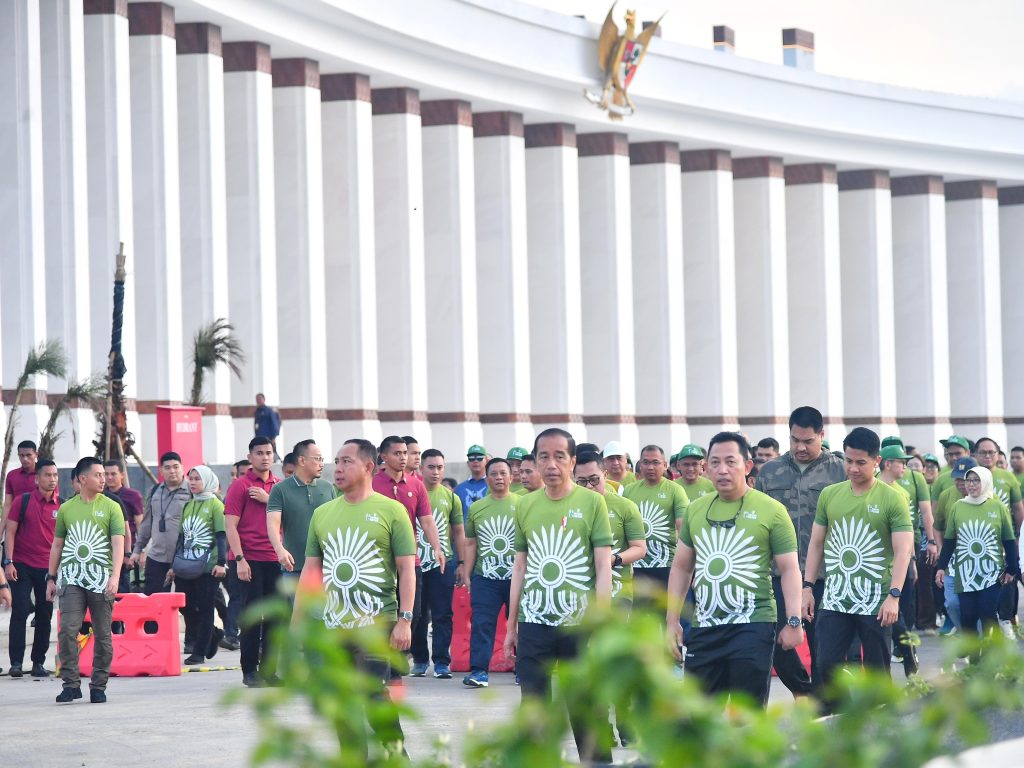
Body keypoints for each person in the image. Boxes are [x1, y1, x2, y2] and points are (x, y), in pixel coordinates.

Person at [296, 438, 415, 760]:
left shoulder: (392, 511)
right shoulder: (322, 514)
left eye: (347, 461)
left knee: (372, 693)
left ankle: (397, 758)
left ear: (368, 467)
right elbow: (310, 573)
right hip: (335, 625)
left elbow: (406, 570)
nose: (338, 467)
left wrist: (405, 621)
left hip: (378, 622)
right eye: (336, 461)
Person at [666, 433, 803, 706]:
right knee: (699, 717)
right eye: (715, 462)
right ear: (707, 467)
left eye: (730, 461)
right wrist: (672, 621)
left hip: (753, 625)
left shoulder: (772, 511)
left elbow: (789, 569)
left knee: (746, 716)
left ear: (748, 466)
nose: (722, 470)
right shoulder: (695, 510)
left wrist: (794, 621)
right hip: (705, 626)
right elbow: (682, 567)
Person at [504, 429, 613, 765]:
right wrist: (512, 625)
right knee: (534, 703)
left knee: (583, 703)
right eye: (543, 457)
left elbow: (603, 566)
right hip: (534, 621)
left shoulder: (592, 501)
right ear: (535, 461)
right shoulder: (524, 504)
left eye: (559, 457)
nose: (551, 464)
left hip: (579, 623)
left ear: (573, 461)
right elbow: (519, 567)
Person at [801, 428, 913, 706]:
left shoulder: (892, 498)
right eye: (848, 461)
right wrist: (807, 587)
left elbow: (903, 551)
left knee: (877, 671)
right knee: (826, 664)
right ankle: (835, 721)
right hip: (836, 598)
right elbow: (816, 545)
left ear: (877, 461)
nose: (852, 468)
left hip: (876, 600)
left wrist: (894, 596)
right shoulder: (830, 494)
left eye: (860, 462)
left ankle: (880, 723)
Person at [755, 405, 847, 698]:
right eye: (795, 440)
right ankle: (803, 691)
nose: (800, 447)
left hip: (827, 574)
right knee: (778, 641)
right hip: (780, 573)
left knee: (826, 648)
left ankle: (823, 707)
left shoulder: (840, 470)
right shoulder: (770, 472)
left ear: (822, 435)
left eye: (808, 441)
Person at [47, 457, 125, 704]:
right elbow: (58, 544)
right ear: (82, 479)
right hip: (71, 578)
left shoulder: (112, 507)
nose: (104, 479)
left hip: (102, 580)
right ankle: (71, 684)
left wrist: (115, 577)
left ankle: (98, 686)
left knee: (103, 635)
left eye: (104, 474)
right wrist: (51, 577)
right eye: (98, 475)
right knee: (67, 631)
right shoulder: (67, 508)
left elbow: (118, 544)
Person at [935, 465, 1019, 653]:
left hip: (991, 571)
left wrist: (1012, 568)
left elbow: (1008, 539)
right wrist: (941, 567)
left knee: (988, 613)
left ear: (986, 482)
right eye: (969, 480)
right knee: (968, 616)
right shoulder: (958, 507)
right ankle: (974, 656)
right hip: (965, 572)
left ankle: (993, 655)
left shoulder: (997, 507)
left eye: (976, 480)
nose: (971, 485)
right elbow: (949, 540)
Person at [224, 436, 281, 687]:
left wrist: (270, 500)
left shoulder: (279, 487)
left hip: (276, 559)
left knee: (274, 619)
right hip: (250, 560)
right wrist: (240, 559)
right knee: (251, 617)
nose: (265, 457)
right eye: (259, 453)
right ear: (250, 457)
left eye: (269, 452)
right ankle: (249, 671)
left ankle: (269, 671)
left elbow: (287, 519)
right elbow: (230, 525)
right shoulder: (240, 486)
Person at [459, 457, 519, 688]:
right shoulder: (477, 507)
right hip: (485, 577)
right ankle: (479, 671)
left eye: (503, 473)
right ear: (486, 478)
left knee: (521, 625)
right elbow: (471, 542)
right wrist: (468, 570)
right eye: (494, 474)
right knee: (483, 623)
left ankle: (523, 669)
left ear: (511, 477)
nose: (499, 478)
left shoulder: (522, 504)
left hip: (517, 577)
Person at [4, 459, 61, 677]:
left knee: (45, 615)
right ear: (37, 479)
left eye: (55, 475)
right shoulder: (23, 501)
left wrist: (56, 573)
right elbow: (10, 532)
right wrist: (8, 561)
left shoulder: (61, 505)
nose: (52, 479)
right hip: (21, 565)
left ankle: (38, 663)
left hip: (48, 569)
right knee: (19, 611)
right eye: (47, 475)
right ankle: (16, 663)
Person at [411, 449, 464, 679]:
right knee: (417, 614)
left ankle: (442, 662)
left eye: (440, 467)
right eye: (430, 467)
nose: (435, 472)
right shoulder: (411, 492)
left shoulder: (451, 497)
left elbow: (459, 532)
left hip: (443, 565)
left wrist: (462, 563)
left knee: (443, 614)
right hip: (414, 564)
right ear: (421, 468)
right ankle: (420, 660)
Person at [573, 451, 645, 609]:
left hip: (617, 590)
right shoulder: (570, 507)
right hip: (578, 592)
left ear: (605, 475)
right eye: (582, 482)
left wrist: (612, 559)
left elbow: (640, 548)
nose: (589, 486)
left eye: (594, 479)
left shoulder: (625, 506)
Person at [876, 444, 922, 675]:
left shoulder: (901, 493)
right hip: (869, 564)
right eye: (900, 462)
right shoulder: (869, 487)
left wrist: (912, 561)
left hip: (894, 567)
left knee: (896, 617)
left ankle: (909, 659)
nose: (905, 466)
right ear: (887, 463)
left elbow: (907, 532)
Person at [175, 466, 227, 666]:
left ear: (207, 480)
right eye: (191, 478)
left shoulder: (216, 504)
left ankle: (199, 651)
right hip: (186, 564)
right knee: (186, 607)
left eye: (197, 479)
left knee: (206, 608)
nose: (193, 482)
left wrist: (222, 563)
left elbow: (222, 535)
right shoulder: (187, 506)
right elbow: (181, 538)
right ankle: (213, 633)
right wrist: (174, 565)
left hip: (209, 566)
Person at [972, 437, 1024, 638]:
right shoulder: (970, 477)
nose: (987, 456)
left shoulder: (1007, 477)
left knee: (1008, 578)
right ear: (975, 454)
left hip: (1005, 537)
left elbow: (1018, 508)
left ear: (997, 454)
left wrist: (1018, 536)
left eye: (991, 452)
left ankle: (1005, 619)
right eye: (983, 452)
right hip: (977, 540)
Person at [267, 439, 336, 590]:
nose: (321, 464)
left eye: (322, 459)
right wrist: (279, 549)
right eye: (317, 459)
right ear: (302, 460)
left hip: (328, 567)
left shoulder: (328, 487)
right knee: (298, 612)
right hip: (295, 566)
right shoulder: (280, 489)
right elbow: (273, 523)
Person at [623, 445, 689, 596]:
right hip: (636, 564)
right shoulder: (629, 490)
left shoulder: (675, 490)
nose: (650, 467)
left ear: (665, 465)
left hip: (666, 563)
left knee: (665, 613)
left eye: (656, 462)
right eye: (646, 462)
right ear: (640, 464)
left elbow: (683, 527)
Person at [129, 452, 190, 595]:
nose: (172, 471)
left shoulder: (191, 492)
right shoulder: (154, 491)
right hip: (157, 556)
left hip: (184, 556)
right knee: (155, 599)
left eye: (176, 467)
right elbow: (146, 523)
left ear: (182, 467)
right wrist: (138, 549)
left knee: (188, 604)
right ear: (161, 471)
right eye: (167, 467)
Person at [103, 460, 142, 592]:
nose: (109, 477)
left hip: (127, 550)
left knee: (124, 589)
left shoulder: (133, 496)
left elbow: (139, 525)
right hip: (105, 551)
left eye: (113, 474)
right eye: (106, 474)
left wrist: (137, 552)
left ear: (122, 475)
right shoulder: (99, 495)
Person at [2, 440, 39, 527]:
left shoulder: (45, 474)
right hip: (16, 523)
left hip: (39, 522)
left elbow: (54, 501)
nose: (25, 459)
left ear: (36, 454)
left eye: (28, 455)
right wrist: (1, 529)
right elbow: (7, 504)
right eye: (21, 455)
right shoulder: (12, 475)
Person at [931, 435, 971, 503]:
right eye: (950, 454)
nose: (954, 458)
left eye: (958, 453)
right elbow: (935, 509)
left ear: (968, 453)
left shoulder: (981, 476)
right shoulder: (941, 478)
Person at [454, 445, 489, 514]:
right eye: (471, 458)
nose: (475, 461)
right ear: (468, 463)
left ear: (486, 461)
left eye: (479, 458)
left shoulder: (493, 486)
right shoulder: (459, 489)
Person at [253, 393, 282, 459]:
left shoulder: (269, 411)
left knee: (271, 451)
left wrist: (274, 437)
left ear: (264, 399)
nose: (258, 401)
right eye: (257, 399)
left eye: (260, 399)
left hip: (269, 437)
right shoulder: (257, 412)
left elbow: (274, 424)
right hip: (259, 437)